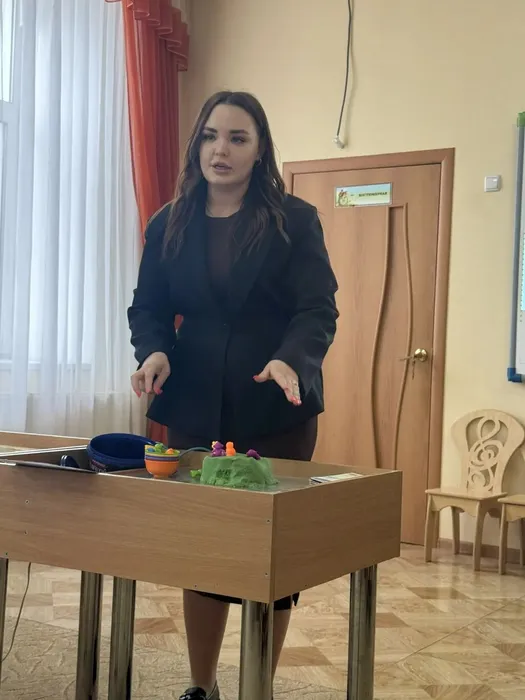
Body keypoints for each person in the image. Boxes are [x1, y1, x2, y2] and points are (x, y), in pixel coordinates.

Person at [128, 91, 339, 700]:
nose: (220, 149)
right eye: (210, 136)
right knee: (205, 551)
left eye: (237, 138)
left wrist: (290, 358)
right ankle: (202, 685)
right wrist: (154, 351)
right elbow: (148, 307)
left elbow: (317, 308)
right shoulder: (168, 222)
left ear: (259, 149)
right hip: (194, 404)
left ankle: (257, 688)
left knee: (272, 556)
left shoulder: (294, 219)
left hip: (275, 406)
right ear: (197, 144)